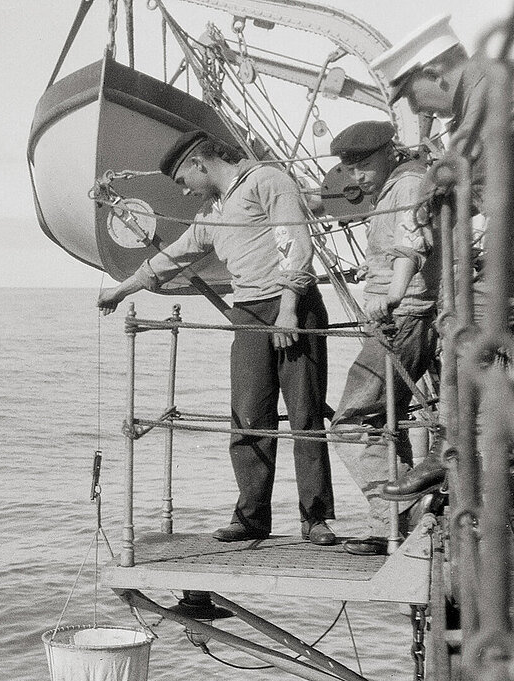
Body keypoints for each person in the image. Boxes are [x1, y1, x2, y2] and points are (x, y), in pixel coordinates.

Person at [97, 130, 335, 545]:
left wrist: (289, 308)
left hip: (292, 307)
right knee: (247, 417)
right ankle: (251, 517)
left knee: (305, 417)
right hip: (248, 317)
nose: (186, 193)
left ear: (199, 165)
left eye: (184, 182)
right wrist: (122, 289)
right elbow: (174, 256)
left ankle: (315, 519)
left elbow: (295, 244)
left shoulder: (268, 181)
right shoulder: (213, 214)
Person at [369, 15, 490, 502]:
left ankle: (455, 452)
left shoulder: (489, 87)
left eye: (413, 94)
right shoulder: (471, 106)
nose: (417, 109)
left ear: (437, 72)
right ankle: (453, 450)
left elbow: (459, 168)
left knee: (466, 323)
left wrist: (426, 187)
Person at [329, 121, 439, 556]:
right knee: (380, 420)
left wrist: (392, 293)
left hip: (404, 316)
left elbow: (412, 244)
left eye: (363, 165)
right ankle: (391, 520)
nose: (356, 177)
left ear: (389, 151)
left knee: (351, 423)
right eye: (349, 169)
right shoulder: (396, 185)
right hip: (400, 315)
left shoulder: (407, 185)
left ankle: (406, 512)